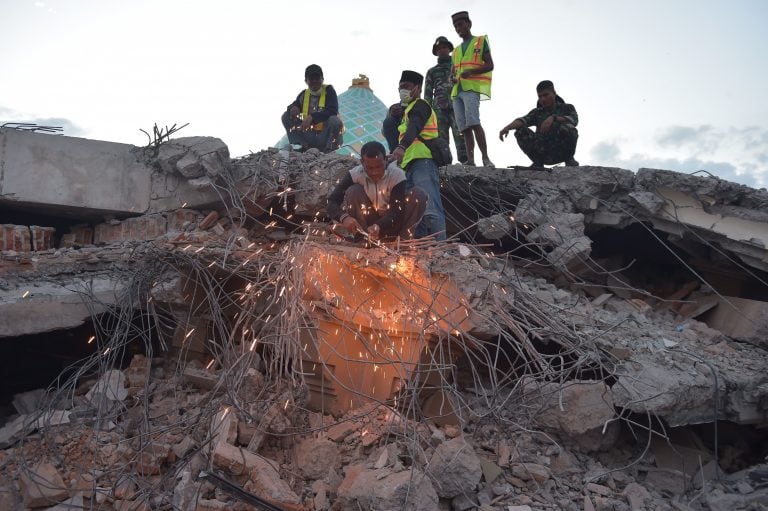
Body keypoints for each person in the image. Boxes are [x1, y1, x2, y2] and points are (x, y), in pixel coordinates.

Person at [327, 141, 426, 241]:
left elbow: (396, 212)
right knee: (353, 191)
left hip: (393, 224)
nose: (375, 172)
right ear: (362, 162)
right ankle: (364, 239)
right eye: (369, 168)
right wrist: (344, 218)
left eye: (379, 166)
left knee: (418, 194)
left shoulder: (397, 175)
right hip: (367, 225)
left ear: (385, 160)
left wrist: (379, 226)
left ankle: (402, 242)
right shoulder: (355, 174)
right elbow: (332, 202)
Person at [391, 70, 447, 241]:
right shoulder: (406, 111)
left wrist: (401, 147)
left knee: (430, 207)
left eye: (406, 87)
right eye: (400, 87)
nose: (403, 91)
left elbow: (415, 127)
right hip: (407, 164)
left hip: (422, 161)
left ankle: (440, 247)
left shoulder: (421, 105)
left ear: (417, 88)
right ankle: (421, 250)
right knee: (415, 209)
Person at [499, 80, 579, 167]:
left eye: (546, 95)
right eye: (540, 96)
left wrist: (554, 118)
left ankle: (569, 159)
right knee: (520, 131)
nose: (543, 99)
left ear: (554, 93)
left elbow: (574, 120)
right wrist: (507, 127)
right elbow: (522, 120)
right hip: (543, 152)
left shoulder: (567, 108)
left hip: (561, 153)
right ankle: (538, 162)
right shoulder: (537, 112)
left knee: (568, 127)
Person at [450, 11, 494, 168]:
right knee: (464, 127)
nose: (458, 28)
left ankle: (486, 158)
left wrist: (472, 72)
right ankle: (470, 160)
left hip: (471, 89)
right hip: (457, 91)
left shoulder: (481, 41)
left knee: (474, 122)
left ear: (469, 24)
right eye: (455, 26)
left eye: (460, 24)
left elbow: (490, 64)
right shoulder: (455, 51)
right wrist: (452, 79)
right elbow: (452, 73)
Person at [425, 36, 468, 164]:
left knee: (461, 133)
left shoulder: (458, 67)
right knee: (441, 137)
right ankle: (445, 163)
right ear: (436, 52)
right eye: (439, 48)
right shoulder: (432, 71)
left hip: (457, 104)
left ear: (449, 49)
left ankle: (466, 161)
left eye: (444, 47)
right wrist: (427, 112)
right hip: (438, 108)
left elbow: (466, 84)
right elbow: (427, 93)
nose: (442, 50)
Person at [281, 64, 343, 152]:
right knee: (286, 116)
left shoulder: (329, 91)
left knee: (334, 120)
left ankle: (329, 150)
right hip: (309, 135)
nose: (314, 81)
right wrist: (293, 108)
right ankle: (300, 145)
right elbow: (294, 105)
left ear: (322, 79)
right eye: (311, 79)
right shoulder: (304, 94)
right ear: (306, 81)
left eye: (317, 78)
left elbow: (332, 110)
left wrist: (312, 117)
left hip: (325, 135)